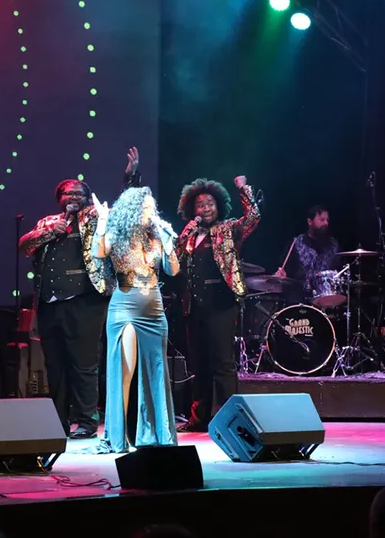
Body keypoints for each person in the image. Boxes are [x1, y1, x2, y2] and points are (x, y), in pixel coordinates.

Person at [18, 148, 141, 439]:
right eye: (67, 194)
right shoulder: (48, 222)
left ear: (87, 198)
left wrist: (130, 177)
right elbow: (24, 246)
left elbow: (125, 211)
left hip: (85, 301)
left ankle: (86, 420)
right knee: (54, 364)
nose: (72, 198)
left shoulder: (97, 217)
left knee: (84, 363)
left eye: (78, 194)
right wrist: (50, 232)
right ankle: (58, 422)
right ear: (59, 199)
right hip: (49, 302)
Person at [88, 186, 179, 453]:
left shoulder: (155, 236)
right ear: (132, 210)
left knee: (157, 369)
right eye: (146, 208)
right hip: (125, 309)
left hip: (154, 309)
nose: (151, 212)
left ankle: (158, 434)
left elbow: (172, 270)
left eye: (152, 208)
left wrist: (170, 245)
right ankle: (119, 437)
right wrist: (103, 222)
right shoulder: (117, 233)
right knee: (125, 372)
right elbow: (98, 252)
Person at [174, 176, 261, 433]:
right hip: (194, 306)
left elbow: (253, 217)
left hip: (221, 304)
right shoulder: (189, 238)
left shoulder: (228, 230)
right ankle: (198, 419)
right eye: (200, 205)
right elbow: (173, 262)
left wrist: (243, 189)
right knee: (198, 364)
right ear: (193, 210)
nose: (206, 208)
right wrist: (183, 236)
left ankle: (230, 421)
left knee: (222, 363)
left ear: (218, 206)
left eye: (210, 203)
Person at [274, 205, 340, 305]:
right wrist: (282, 275)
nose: (326, 223)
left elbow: (339, 272)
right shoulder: (295, 244)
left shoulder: (333, 246)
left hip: (326, 300)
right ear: (310, 222)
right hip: (299, 300)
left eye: (327, 220)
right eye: (322, 220)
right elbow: (284, 270)